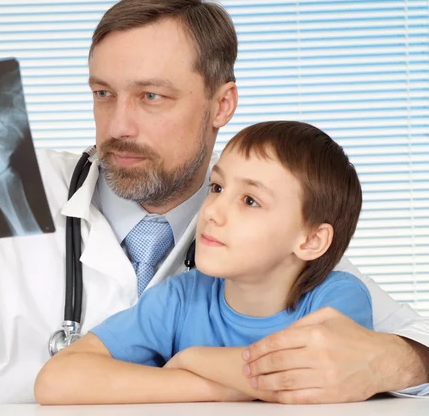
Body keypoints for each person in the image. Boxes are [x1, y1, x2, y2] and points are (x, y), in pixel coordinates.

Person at [0, 0, 427, 407]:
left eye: (152, 97)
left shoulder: (265, 218)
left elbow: (409, 343)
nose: (117, 126)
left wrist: (387, 362)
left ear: (222, 104)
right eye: (103, 93)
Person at [34, 120, 373, 404]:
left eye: (250, 200)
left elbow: (305, 378)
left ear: (311, 240)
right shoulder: (180, 299)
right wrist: (217, 386)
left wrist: (192, 360)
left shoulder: (338, 301)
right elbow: (56, 380)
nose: (213, 212)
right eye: (217, 187)